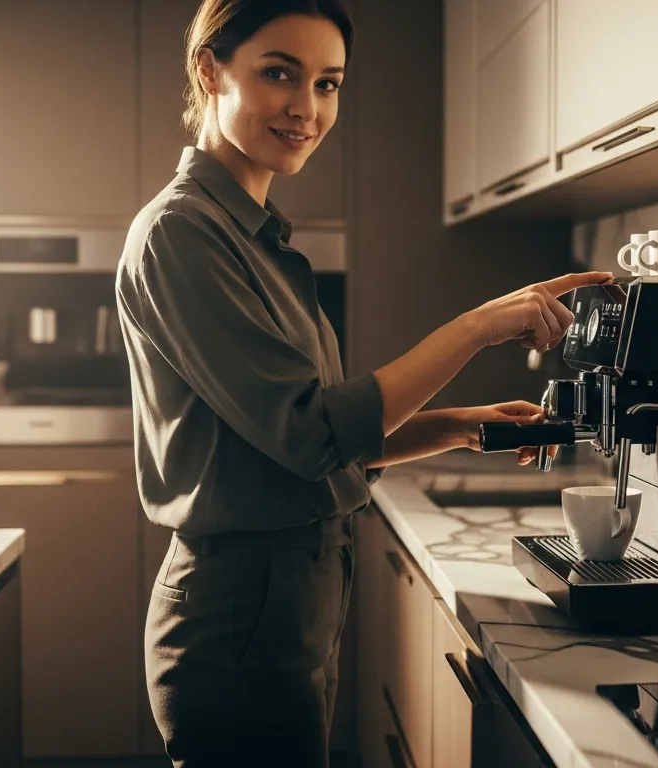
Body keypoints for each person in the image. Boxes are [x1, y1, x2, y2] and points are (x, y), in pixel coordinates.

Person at [114, 1, 612, 764]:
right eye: (279, 73)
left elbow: (303, 438)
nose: (306, 108)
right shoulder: (183, 233)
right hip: (243, 609)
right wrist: (479, 326)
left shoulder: (255, 236)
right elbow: (311, 436)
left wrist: (459, 425)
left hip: (288, 600)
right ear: (210, 69)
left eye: (328, 83)